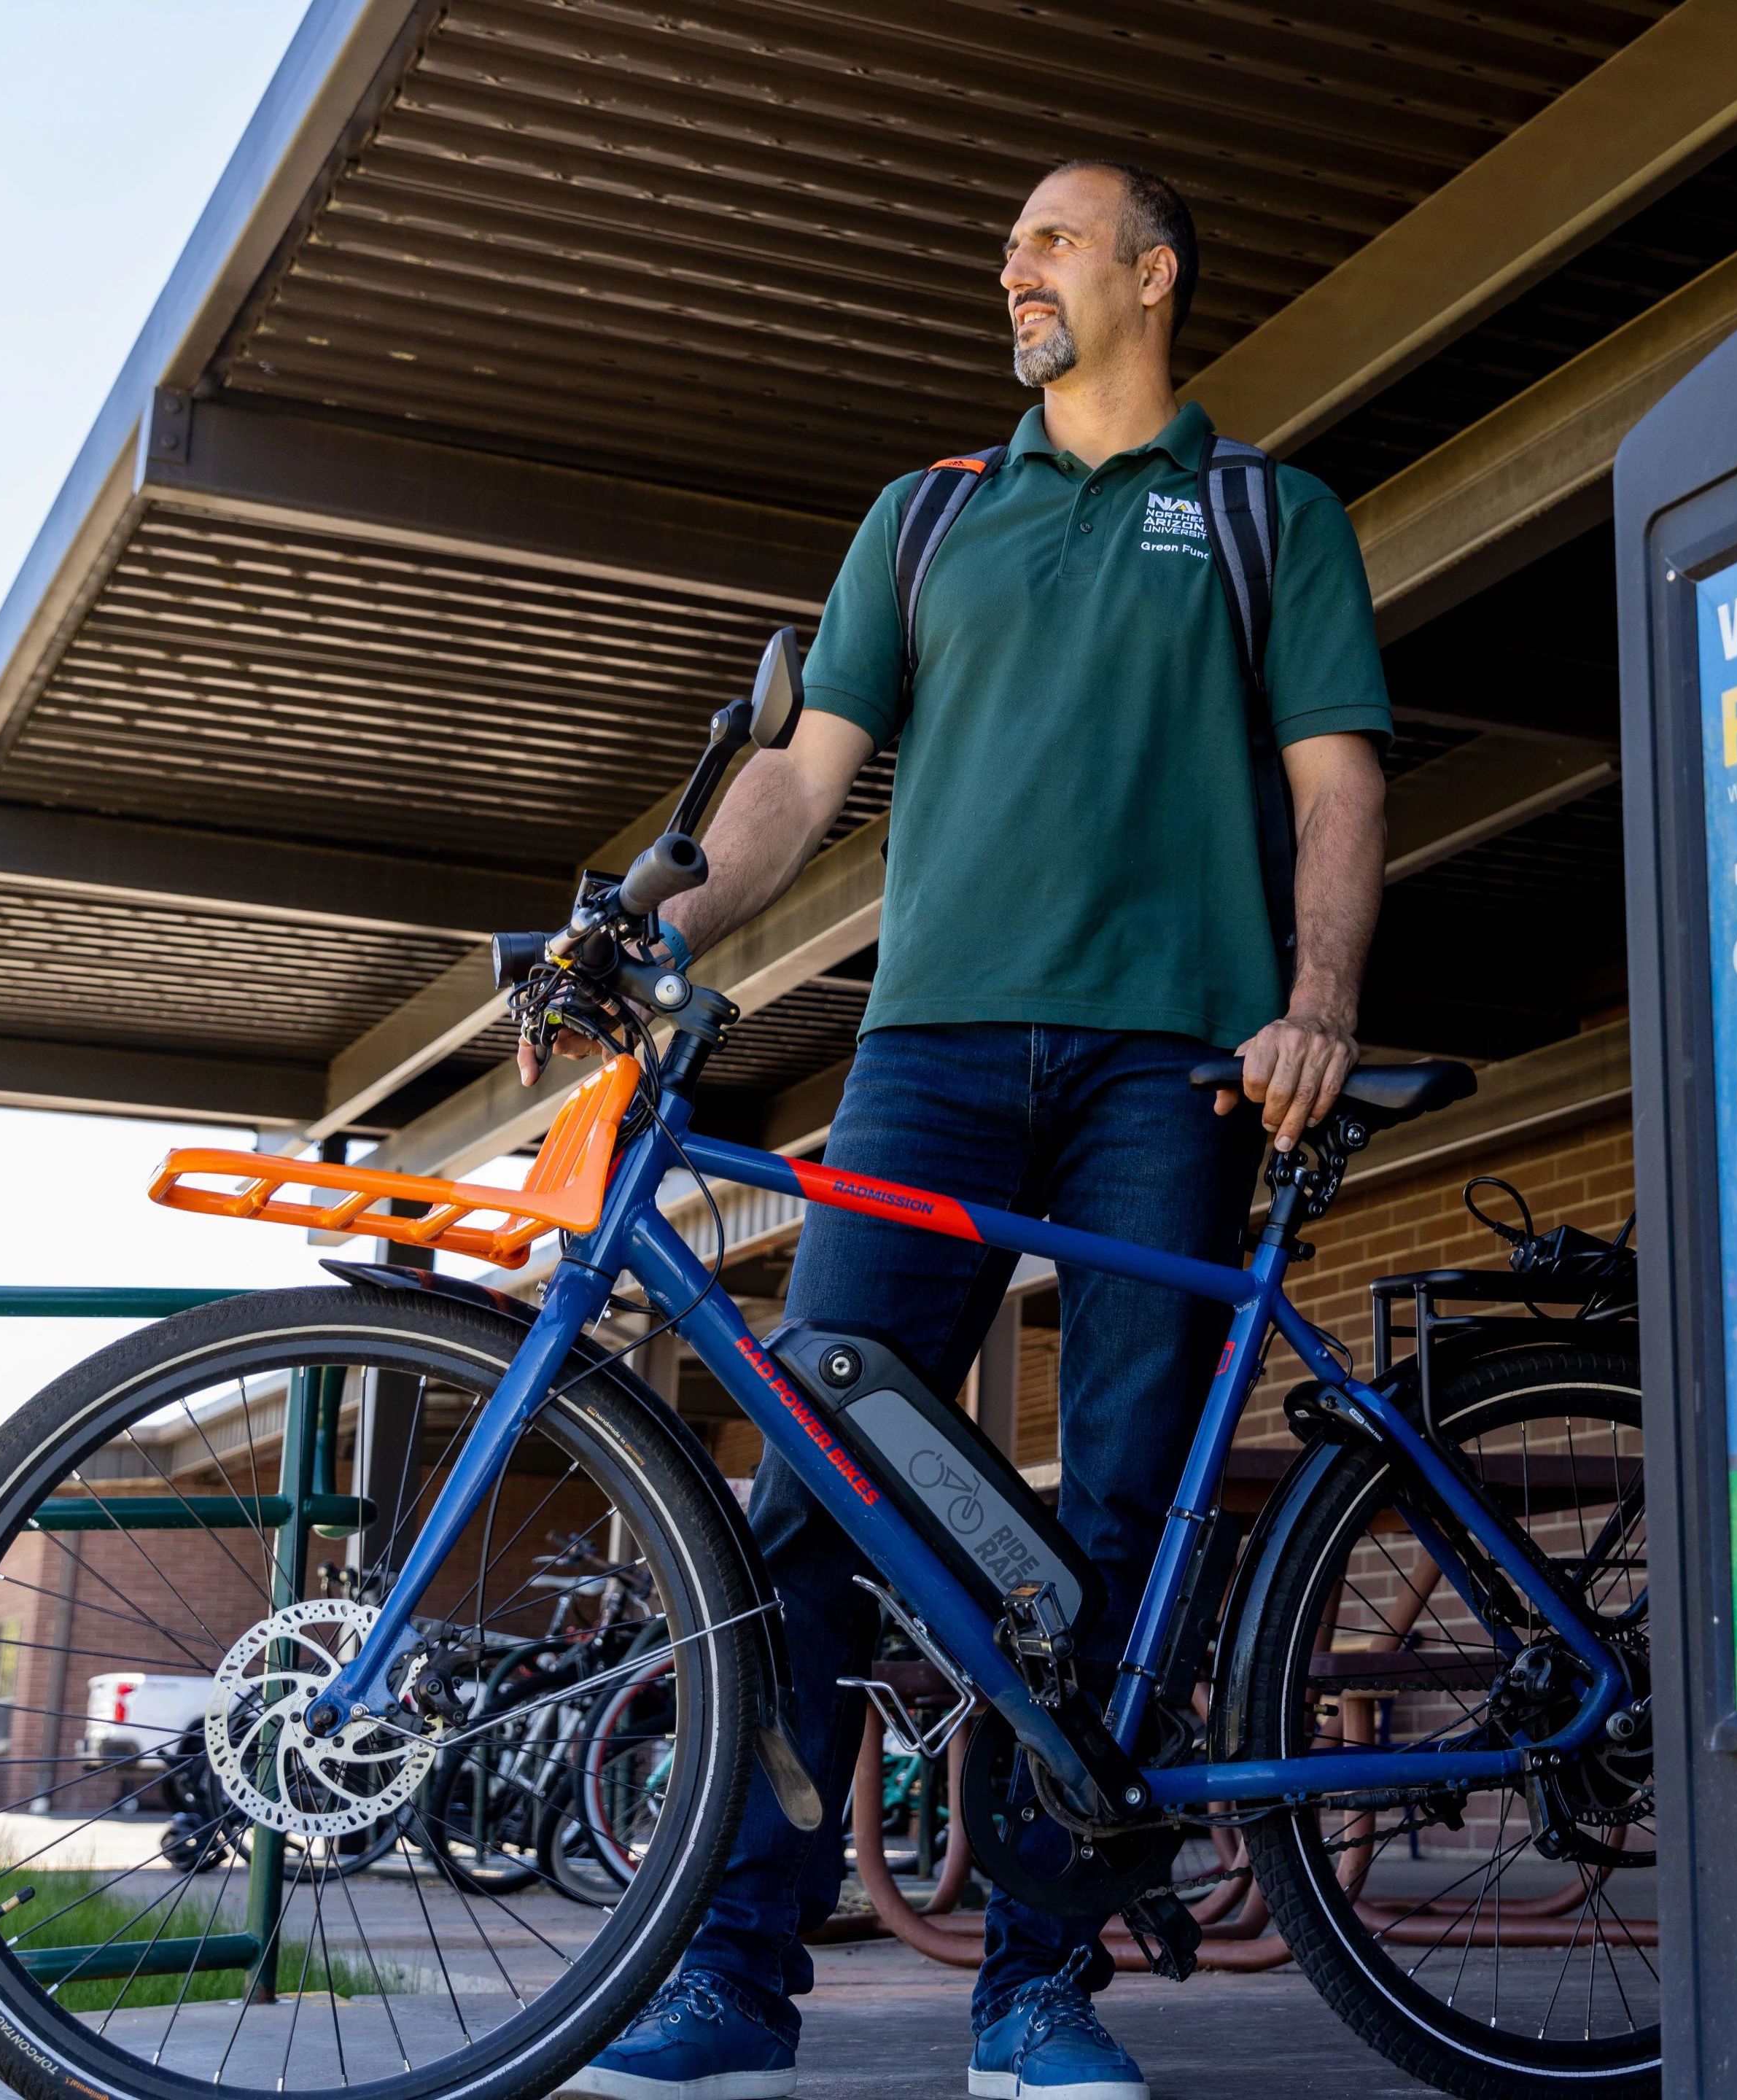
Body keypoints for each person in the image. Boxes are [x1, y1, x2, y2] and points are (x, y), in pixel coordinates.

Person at [562, 159, 1393, 2100]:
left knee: (1112, 1526)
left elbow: (1340, 789)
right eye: (1010, 245)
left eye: (1047, 239)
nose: (1008, 267)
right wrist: (646, 923)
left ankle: (1039, 1984)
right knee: (819, 1499)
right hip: (925, 1057)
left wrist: (1321, 1003)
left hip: (1173, 1069)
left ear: (1151, 273)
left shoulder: (1273, 516)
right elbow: (795, 783)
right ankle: (738, 1977)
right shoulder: (927, 521)